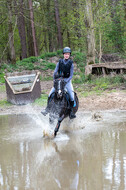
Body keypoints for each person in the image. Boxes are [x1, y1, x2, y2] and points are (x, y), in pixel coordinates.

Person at [41, 47, 76, 119]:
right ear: (63, 54)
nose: (66, 55)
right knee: (50, 94)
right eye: (65, 54)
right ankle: (47, 109)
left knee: (72, 96)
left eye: (68, 54)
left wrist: (66, 81)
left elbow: (71, 75)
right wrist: (55, 80)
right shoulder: (59, 62)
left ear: (69, 55)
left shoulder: (71, 64)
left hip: (67, 81)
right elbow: (55, 72)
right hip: (59, 81)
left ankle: (71, 112)